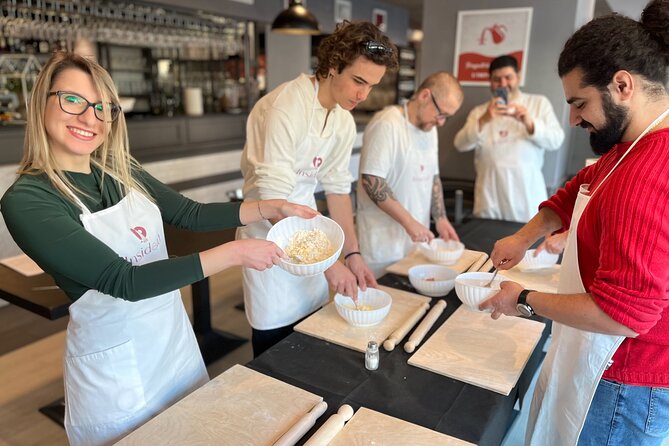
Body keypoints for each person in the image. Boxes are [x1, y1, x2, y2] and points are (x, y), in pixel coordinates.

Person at [0, 52, 317, 446]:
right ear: (41, 101)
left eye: (102, 108)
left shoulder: (119, 168)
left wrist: (271, 206)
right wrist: (237, 253)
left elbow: (189, 213)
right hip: (117, 376)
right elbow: (124, 281)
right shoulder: (28, 199)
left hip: (172, 343)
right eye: (72, 100)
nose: (89, 118)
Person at [481, 1, 669, 444]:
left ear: (622, 85)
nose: (573, 118)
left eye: (580, 102)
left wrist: (522, 298)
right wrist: (525, 237)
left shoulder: (648, 172)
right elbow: (575, 189)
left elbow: (623, 313)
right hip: (606, 362)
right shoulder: (625, 149)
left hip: (627, 383)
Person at [237, 21, 398, 356]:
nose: (363, 95)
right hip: (269, 239)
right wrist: (327, 264)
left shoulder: (342, 119)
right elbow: (272, 201)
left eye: (371, 86)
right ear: (332, 65)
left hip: (311, 239)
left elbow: (338, 190)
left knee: (309, 334)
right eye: (358, 81)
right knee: (276, 348)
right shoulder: (286, 106)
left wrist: (350, 254)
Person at [356, 71, 463, 277]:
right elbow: (372, 180)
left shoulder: (429, 128)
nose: (442, 122)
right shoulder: (387, 124)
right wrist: (409, 222)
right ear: (424, 96)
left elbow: (433, 176)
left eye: (447, 118)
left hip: (415, 242)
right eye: (441, 114)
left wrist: (440, 217)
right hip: (383, 244)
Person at [453, 55, 565, 222]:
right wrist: (484, 119)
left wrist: (530, 122)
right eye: (497, 79)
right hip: (489, 201)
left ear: (518, 77)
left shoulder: (538, 103)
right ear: (490, 82)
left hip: (527, 202)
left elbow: (557, 140)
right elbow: (459, 144)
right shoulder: (479, 111)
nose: (503, 84)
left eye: (508, 77)